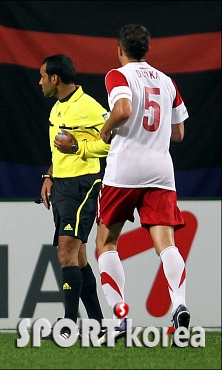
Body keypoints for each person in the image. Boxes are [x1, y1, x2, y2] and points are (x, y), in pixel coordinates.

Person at [95, 24, 190, 347]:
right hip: (161, 171)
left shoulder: (118, 75)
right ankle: (179, 304)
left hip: (124, 171)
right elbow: (178, 134)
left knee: (106, 243)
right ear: (147, 50)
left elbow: (123, 109)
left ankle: (120, 317)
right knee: (167, 244)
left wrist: (106, 130)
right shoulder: (166, 81)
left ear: (120, 49)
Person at [38, 54, 110, 340]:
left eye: (42, 75)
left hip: (84, 185)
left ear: (55, 78)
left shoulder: (89, 107)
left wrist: (78, 146)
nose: (40, 81)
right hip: (63, 186)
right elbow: (60, 149)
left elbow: (113, 142)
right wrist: (49, 175)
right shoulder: (57, 109)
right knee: (78, 258)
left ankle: (69, 326)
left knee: (65, 252)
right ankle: (99, 326)